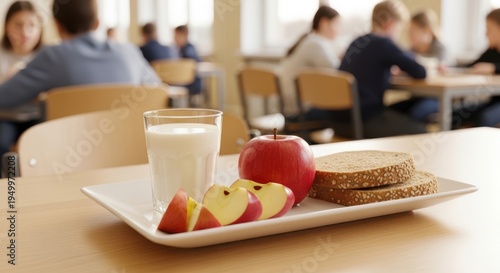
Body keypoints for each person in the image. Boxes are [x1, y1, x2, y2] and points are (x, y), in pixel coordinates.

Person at [0, 0, 160, 110]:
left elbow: (4, 98)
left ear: (57, 25)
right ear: (97, 22)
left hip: (62, 154)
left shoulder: (53, 57)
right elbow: (159, 92)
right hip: (133, 153)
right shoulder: (130, 52)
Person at [326, 0, 427, 138]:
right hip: (362, 121)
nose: (398, 35)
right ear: (389, 23)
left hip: (337, 122)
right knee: (423, 132)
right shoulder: (383, 42)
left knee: (404, 111)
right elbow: (420, 71)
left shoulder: (357, 41)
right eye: (399, 29)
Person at [0, 1, 43, 168]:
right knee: (2, 144)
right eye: (18, 25)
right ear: (6, 26)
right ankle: (9, 190)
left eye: (32, 25)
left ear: (40, 28)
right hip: (5, 117)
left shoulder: (48, 56)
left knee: (41, 147)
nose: (25, 32)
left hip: (36, 116)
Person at [281, 6, 341, 117]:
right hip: (301, 110)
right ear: (324, 23)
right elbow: (339, 71)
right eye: (337, 24)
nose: (339, 30)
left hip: (291, 107)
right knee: (346, 110)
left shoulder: (309, 40)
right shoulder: (316, 43)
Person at [466, 8, 500, 127]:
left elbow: (493, 67)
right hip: (493, 102)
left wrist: (494, 68)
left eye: (489, 29)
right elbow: (472, 65)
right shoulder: (492, 51)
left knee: (485, 118)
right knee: (457, 113)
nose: (486, 34)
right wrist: (448, 67)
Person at [173, 25, 201, 96]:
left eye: (177, 36)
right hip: (179, 82)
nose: (174, 38)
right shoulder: (176, 50)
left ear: (185, 35)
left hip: (190, 84)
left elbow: (195, 64)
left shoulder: (189, 50)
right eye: (174, 36)